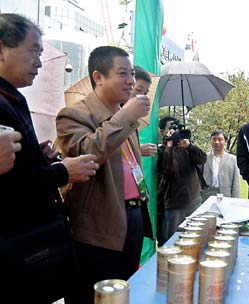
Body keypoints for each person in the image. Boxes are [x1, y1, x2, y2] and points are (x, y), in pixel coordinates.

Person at [0, 13, 98, 303]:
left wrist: (37, 156)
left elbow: (15, 169)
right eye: (33, 51)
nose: (39, 63)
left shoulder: (14, 99)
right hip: (18, 244)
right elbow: (13, 186)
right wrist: (63, 171)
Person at [56, 46, 154, 303]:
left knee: (125, 290)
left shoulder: (124, 118)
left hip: (132, 217)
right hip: (98, 225)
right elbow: (86, 153)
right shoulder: (73, 115)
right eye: (122, 74)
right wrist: (125, 116)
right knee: (96, 294)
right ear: (98, 77)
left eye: (131, 74)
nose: (131, 81)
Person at [157, 116, 206, 241]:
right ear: (162, 131)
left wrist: (189, 146)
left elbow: (202, 159)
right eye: (171, 128)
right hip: (174, 204)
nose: (175, 131)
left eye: (177, 128)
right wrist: (169, 146)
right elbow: (166, 170)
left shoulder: (187, 146)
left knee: (194, 239)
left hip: (193, 200)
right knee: (174, 241)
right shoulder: (162, 150)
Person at [203, 129, 240, 198]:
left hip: (225, 195)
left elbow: (236, 183)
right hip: (207, 196)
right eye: (214, 139)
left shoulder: (233, 160)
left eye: (220, 139)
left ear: (225, 141)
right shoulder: (204, 158)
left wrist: (235, 200)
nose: (217, 142)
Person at [130, 65, 156, 158]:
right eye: (138, 89)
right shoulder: (112, 116)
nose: (142, 96)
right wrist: (138, 150)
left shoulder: (132, 119)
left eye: (145, 93)